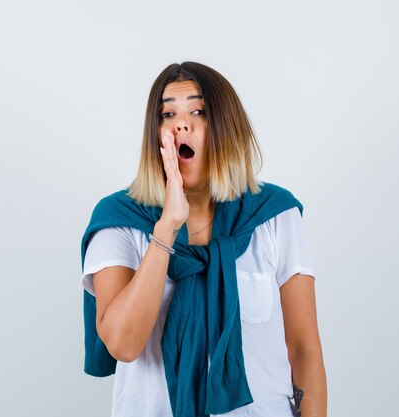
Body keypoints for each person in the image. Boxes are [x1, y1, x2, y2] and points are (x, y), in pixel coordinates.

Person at [80, 62, 327, 417]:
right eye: (167, 114)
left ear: (227, 128)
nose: (181, 123)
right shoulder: (119, 221)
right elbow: (123, 344)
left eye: (198, 111)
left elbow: (304, 348)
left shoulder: (274, 215)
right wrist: (167, 227)